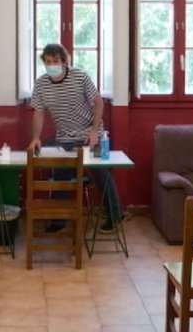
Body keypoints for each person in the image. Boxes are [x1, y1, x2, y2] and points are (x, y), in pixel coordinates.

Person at [28, 43, 123, 233]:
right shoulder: (41, 84)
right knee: (59, 175)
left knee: (102, 173)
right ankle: (59, 219)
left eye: (55, 61)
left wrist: (95, 131)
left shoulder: (79, 76)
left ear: (64, 61)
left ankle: (115, 215)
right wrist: (35, 138)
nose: (52, 65)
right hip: (64, 138)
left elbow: (98, 103)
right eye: (48, 62)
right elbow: (38, 113)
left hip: (91, 135)